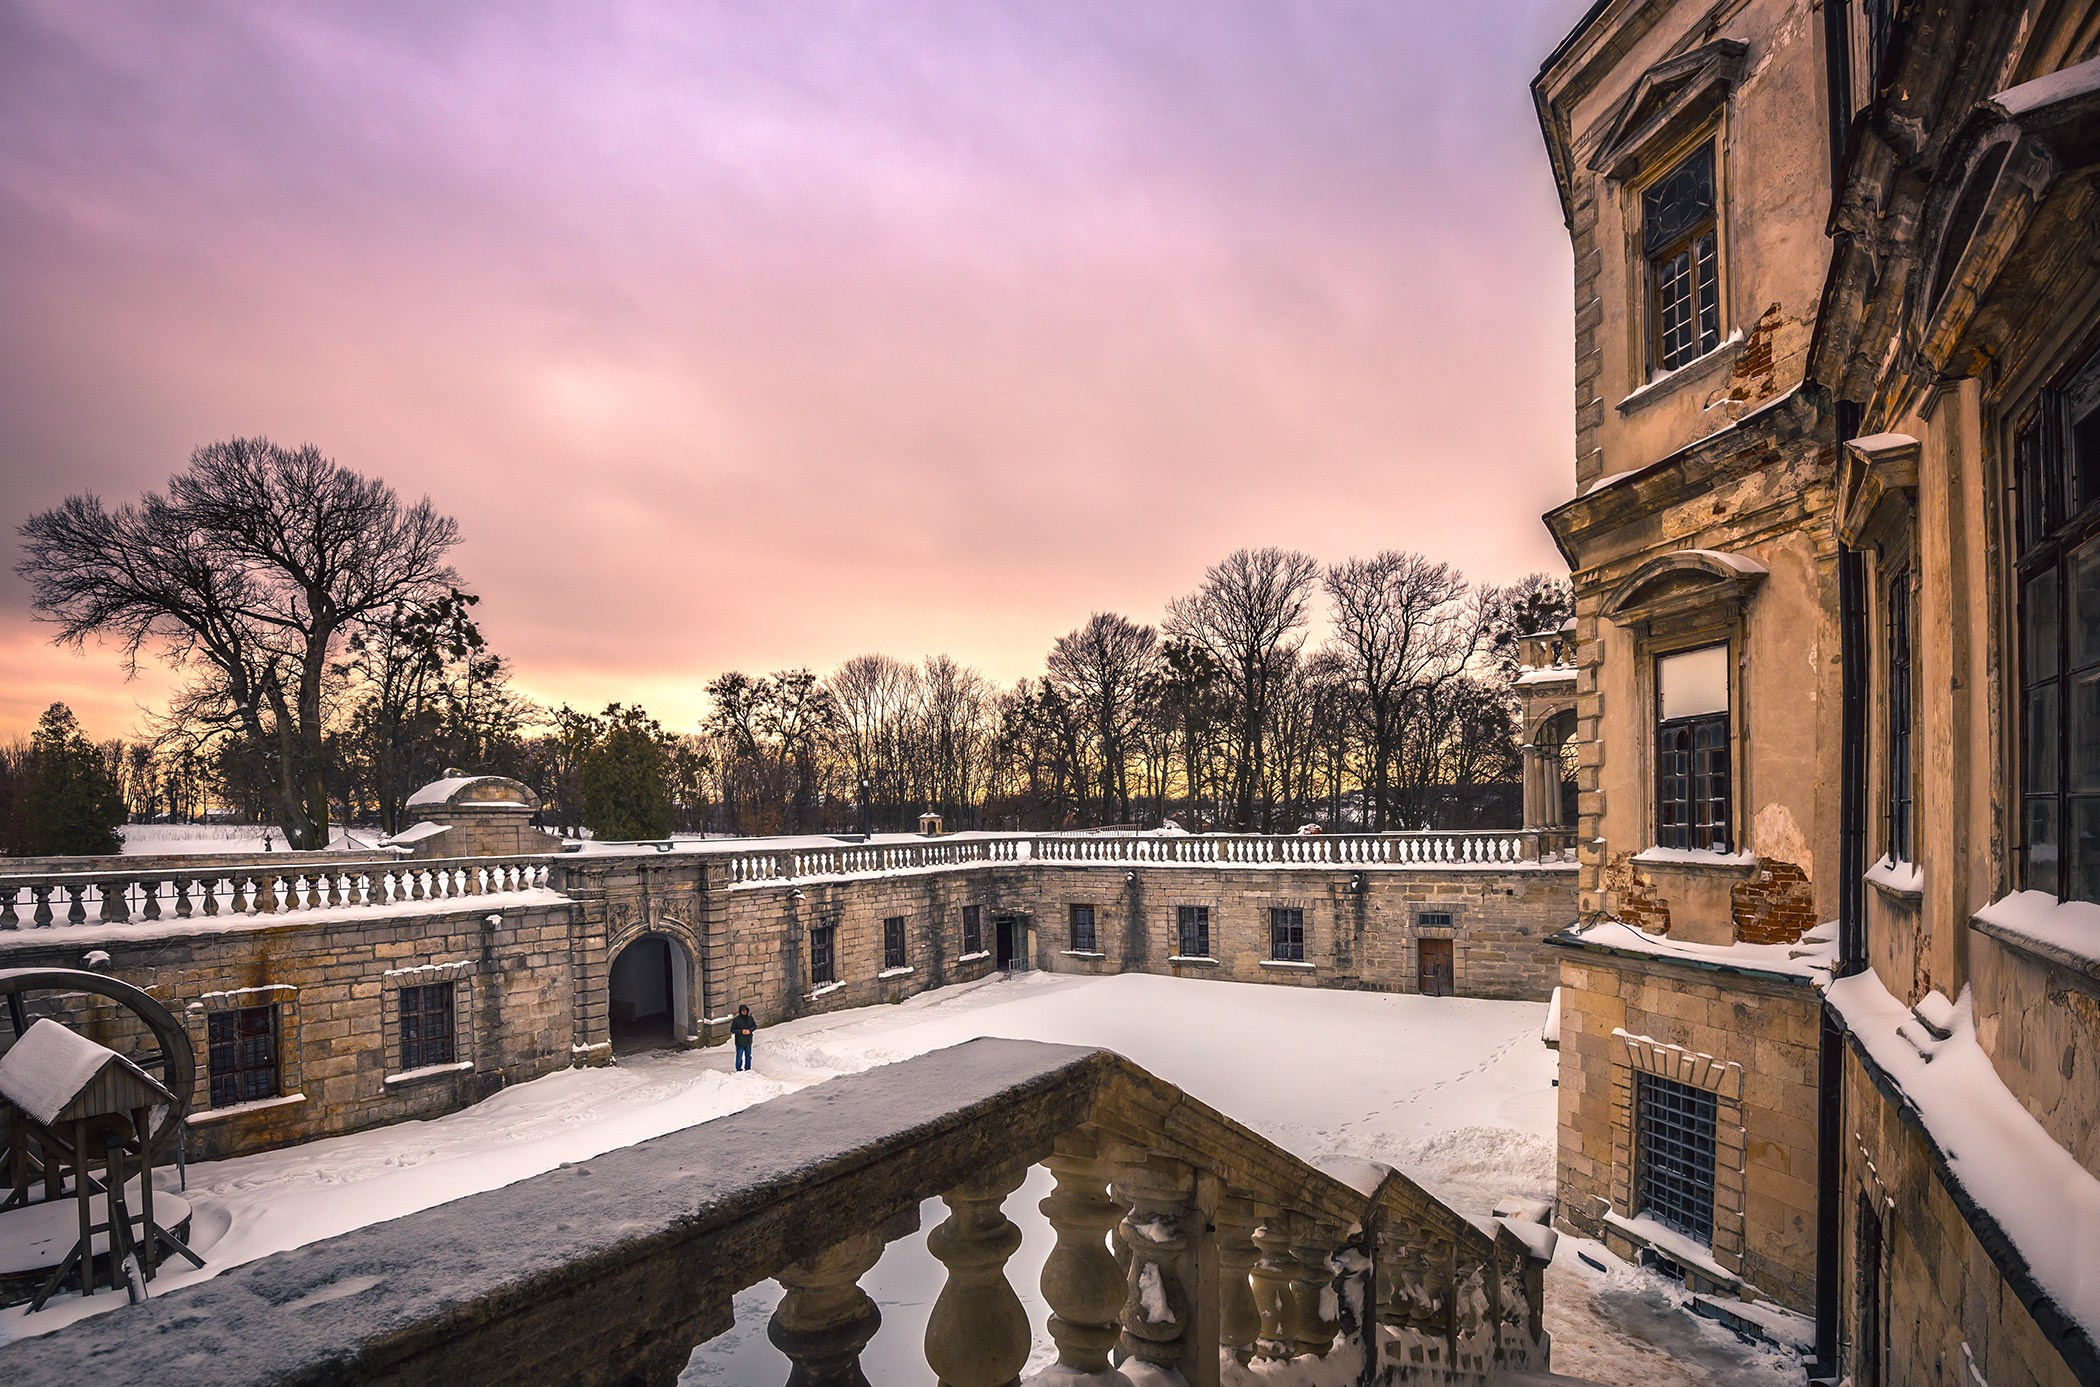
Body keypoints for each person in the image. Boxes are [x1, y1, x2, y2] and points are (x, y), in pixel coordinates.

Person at [731, 1005, 756, 1072]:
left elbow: (754, 1026)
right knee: (739, 1056)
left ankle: (748, 1068)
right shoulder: (736, 1020)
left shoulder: (750, 1018)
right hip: (740, 1041)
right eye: (743, 1010)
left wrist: (749, 1030)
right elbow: (732, 1030)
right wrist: (741, 1031)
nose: (744, 1011)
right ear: (740, 1011)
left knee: (748, 1056)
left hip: (748, 1040)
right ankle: (738, 1069)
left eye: (745, 1010)